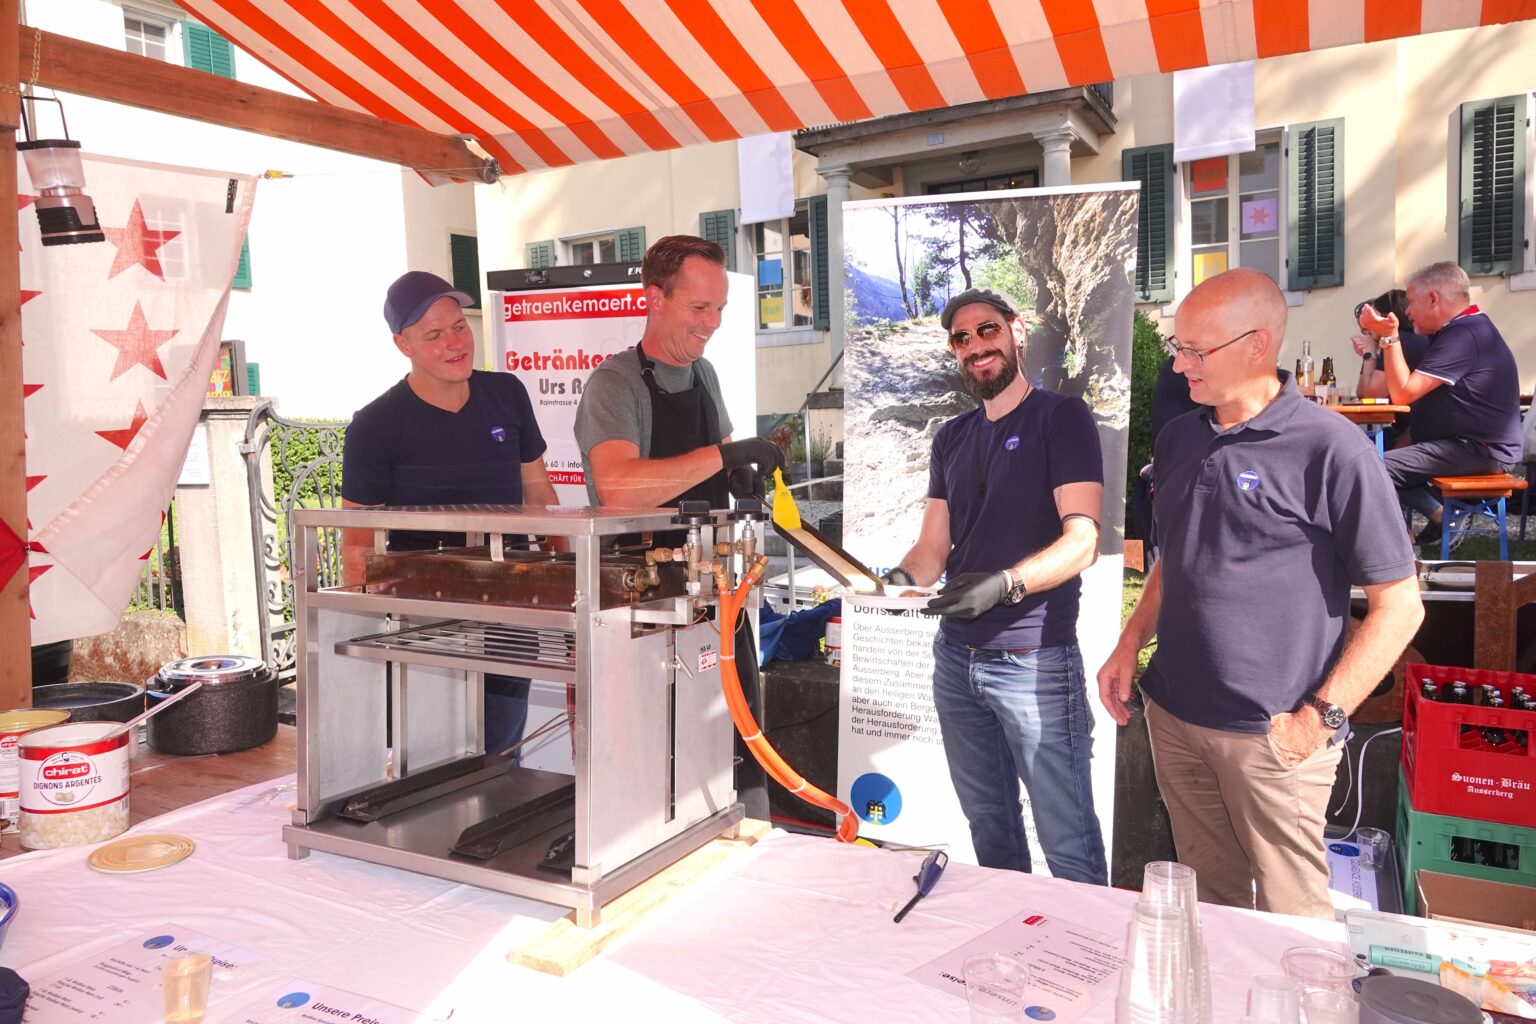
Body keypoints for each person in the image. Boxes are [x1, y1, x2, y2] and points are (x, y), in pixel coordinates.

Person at [1098, 268, 1423, 919]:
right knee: (1209, 907)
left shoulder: (1333, 450)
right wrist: (1129, 642)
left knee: (1292, 925)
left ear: (1257, 345)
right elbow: (1175, 555)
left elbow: (1401, 605)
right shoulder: (1180, 437)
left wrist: (1320, 719)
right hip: (1175, 716)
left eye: (1196, 350)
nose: (1179, 366)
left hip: (1275, 734)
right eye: (1179, 347)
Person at [885, 287, 1107, 885]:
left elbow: (1082, 541)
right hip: (955, 662)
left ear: (1016, 331)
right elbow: (932, 549)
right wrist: (898, 582)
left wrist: (1005, 585)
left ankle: (1087, 940)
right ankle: (1013, 930)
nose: (976, 346)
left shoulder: (1062, 418)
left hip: (1033, 661)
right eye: (962, 338)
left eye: (987, 330)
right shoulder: (951, 437)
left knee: (1067, 837)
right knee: (990, 826)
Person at [573, 234, 785, 821]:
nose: (713, 322)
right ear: (654, 298)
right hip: (643, 612)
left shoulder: (704, 374)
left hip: (715, 597)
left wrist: (742, 475)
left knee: (736, 748)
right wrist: (722, 455)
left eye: (720, 308)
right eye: (699, 307)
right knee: (659, 765)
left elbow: (716, 461)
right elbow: (617, 487)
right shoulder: (614, 384)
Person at [341, 270, 563, 758]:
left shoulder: (507, 393)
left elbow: (538, 492)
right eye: (434, 335)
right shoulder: (375, 425)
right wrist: (364, 636)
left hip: (510, 604)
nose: (455, 343)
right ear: (403, 345)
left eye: (459, 326)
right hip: (426, 616)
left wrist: (568, 576)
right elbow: (357, 544)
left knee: (501, 754)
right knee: (432, 756)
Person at [1359, 262, 1523, 548]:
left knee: (1371, 465)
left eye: (1411, 302)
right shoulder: (1463, 329)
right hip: (1464, 445)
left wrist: (1389, 336)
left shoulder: (1465, 334)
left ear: (1433, 298)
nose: (1408, 312)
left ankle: (1400, 549)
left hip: (1479, 450)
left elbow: (1403, 394)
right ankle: (1406, 541)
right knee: (1369, 459)